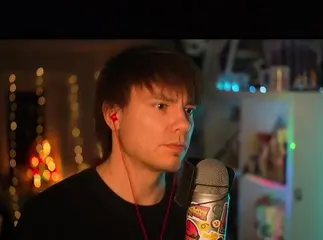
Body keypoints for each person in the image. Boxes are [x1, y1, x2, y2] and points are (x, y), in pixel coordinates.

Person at [13, 45, 202, 240]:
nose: (184, 124)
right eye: (161, 106)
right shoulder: (50, 216)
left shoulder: (199, 215)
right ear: (114, 116)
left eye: (188, 110)